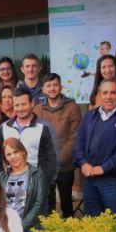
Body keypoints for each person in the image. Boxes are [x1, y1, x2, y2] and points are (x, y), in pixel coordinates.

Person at [74, 78, 116, 217]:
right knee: (92, 223)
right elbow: (79, 142)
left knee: (113, 223)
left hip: (113, 181)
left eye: (113, 93)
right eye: (105, 93)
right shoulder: (90, 115)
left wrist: (103, 168)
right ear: (100, 95)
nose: (108, 97)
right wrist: (83, 163)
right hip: (90, 178)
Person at [34, 72, 82, 217]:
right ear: (43, 89)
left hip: (65, 165)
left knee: (66, 202)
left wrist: (58, 159)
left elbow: (75, 136)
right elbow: (36, 136)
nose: (52, 88)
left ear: (60, 87)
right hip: (45, 166)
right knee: (48, 204)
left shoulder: (72, 107)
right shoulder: (37, 110)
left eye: (55, 85)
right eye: (48, 86)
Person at [0, 87, 58, 192]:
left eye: (23, 104)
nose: (20, 109)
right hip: (12, 185)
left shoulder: (44, 127)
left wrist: (46, 184)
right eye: (17, 105)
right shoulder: (4, 127)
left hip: (38, 185)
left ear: (32, 103)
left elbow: (53, 158)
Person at [0, 138, 47, 232]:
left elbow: (39, 204)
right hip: (5, 227)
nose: (13, 157)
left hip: (29, 227)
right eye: (9, 154)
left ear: (23, 152)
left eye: (15, 152)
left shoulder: (37, 174)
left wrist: (20, 227)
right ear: (5, 158)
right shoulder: (1, 177)